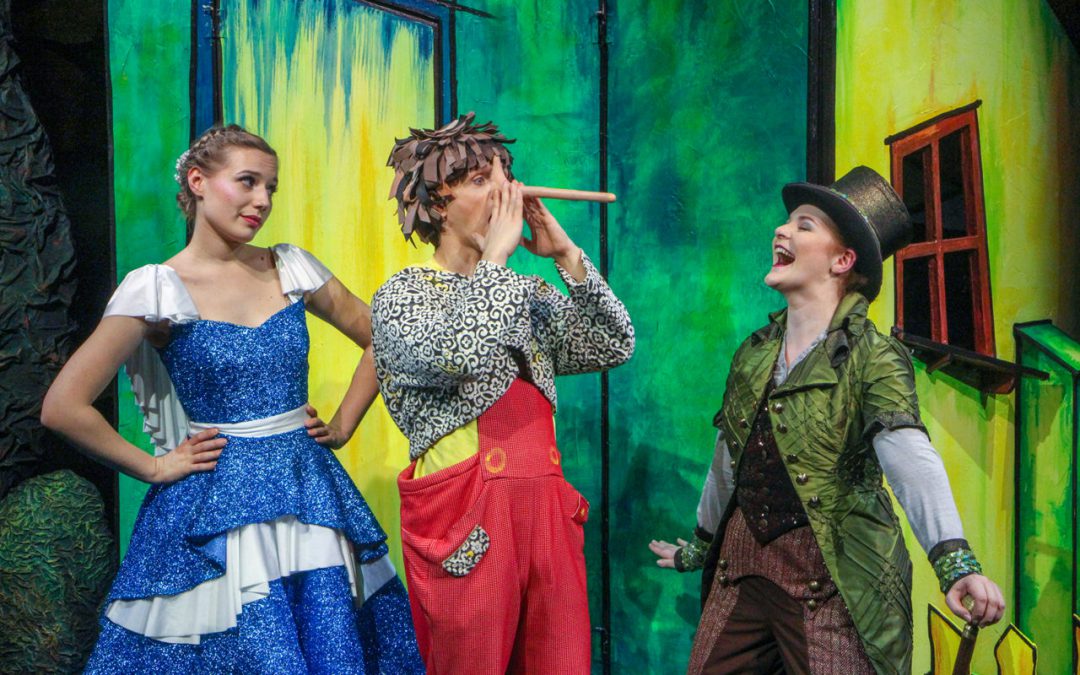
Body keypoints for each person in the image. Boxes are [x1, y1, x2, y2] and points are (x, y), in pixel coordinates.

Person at [41, 124, 423, 673]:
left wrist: (342, 426)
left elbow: (382, 339)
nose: (262, 200)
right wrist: (153, 467)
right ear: (198, 182)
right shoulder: (157, 288)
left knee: (326, 642)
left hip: (307, 495)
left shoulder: (290, 267)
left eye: (271, 187)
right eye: (247, 182)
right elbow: (63, 406)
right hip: (215, 505)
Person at [649, 166, 1005, 674]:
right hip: (742, 565)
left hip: (832, 577)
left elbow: (910, 460)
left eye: (804, 225)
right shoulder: (753, 353)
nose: (782, 230)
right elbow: (728, 459)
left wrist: (954, 562)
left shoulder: (872, 356)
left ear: (842, 260)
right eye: (786, 222)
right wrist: (701, 546)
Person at [369, 112, 635, 673]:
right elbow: (454, 355)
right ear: (437, 204)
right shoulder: (404, 294)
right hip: (468, 515)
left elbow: (613, 343)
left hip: (545, 513)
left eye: (505, 178)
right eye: (478, 180)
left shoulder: (525, 292)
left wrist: (566, 256)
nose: (503, 193)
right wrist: (495, 262)